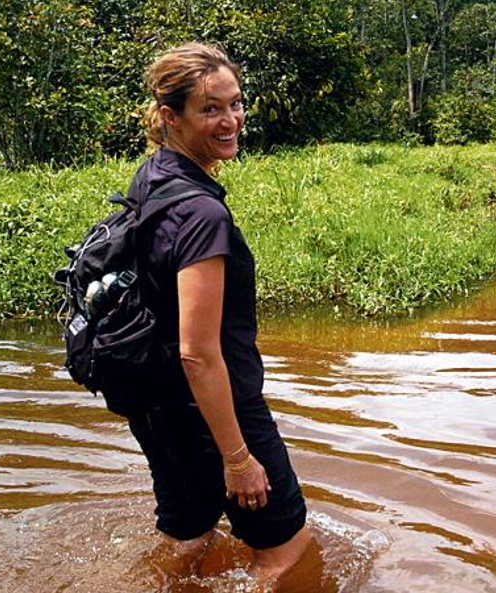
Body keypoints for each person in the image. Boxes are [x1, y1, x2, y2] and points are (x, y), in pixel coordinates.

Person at [124, 42, 312, 587]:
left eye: (235, 103)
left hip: (161, 407)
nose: (230, 120)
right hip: (217, 410)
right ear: (169, 117)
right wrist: (236, 456)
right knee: (287, 549)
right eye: (210, 109)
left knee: (191, 534)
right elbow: (199, 352)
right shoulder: (202, 213)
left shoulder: (153, 178)